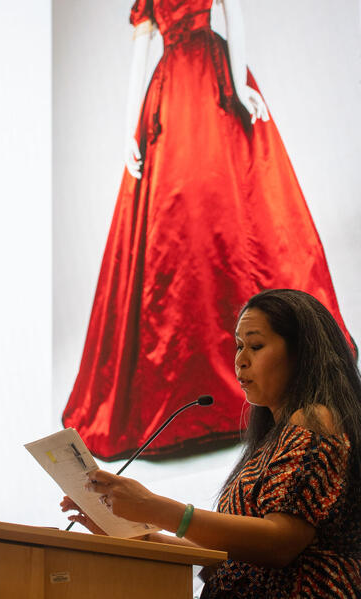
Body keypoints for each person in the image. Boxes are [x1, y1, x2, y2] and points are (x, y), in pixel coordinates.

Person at [62, 0, 352, 460]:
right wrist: (127, 130)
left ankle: (275, 366)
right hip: (182, 93)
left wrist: (237, 83)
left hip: (212, 86)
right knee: (184, 233)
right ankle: (201, 392)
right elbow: (141, 56)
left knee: (239, 218)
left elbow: (233, 14)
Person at [62, 289, 361, 597]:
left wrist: (154, 507)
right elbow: (230, 558)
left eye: (256, 346)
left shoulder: (315, 419)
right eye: (239, 346)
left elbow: (279, 544)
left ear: (302, 352)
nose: (241, 360)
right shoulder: (271, 441)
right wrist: (134, 534)